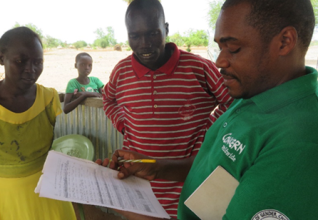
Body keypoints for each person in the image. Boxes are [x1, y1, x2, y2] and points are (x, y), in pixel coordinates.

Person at [98, 0, 318, 219]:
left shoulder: (299, 141)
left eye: (233, 48)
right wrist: (157, 167)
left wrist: (119, 204)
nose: (220, 60)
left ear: (284, 41)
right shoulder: (252, 96)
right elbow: (218, 166)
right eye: (220, 48)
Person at [102, 0, 232, 217]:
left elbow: (232, 100)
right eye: (135, 36)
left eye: (152, 33)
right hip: (139, 189)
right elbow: (108, 100)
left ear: (166, 29)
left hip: (188, 185)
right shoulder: (122, 71)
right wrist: (124, 124)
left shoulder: (198, 68)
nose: (144, 44)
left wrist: (209, 130)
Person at [0, 27, 76, 220]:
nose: (31, 70)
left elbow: (44, 145)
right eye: (20, 61)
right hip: (6, 194)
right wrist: (9, 167)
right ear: (1, 58)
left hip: (47, 190)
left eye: (38, 62)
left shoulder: (48, 98)